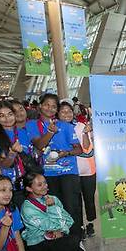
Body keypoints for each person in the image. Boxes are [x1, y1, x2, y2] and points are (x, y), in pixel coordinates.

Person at [26, 94, 83, 239]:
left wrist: (66, 153)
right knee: (54, 207)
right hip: (47, 174)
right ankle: (61, 236)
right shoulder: (32, 125)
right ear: (40, 106)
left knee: (72, 206)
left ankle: (76, 237)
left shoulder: (65, 125)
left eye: (53, 106)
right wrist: (50, 132)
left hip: (68, 171)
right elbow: (39, 145)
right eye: (47, 105)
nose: (50, 108)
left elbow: (79, 149)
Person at [21, 172, 89, 251]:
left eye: (45, 182)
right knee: (73, 240)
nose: (45, 186)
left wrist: (61, 231)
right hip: (39, 242)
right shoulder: (27, 208)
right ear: (29, 189)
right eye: (40, 185)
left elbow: (68, 220)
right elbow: (51, 226)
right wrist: (52, 208)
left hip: (57, 237)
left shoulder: (52, 198)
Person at [58, 100, 96, 238]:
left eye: (69, 111)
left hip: (87, 169)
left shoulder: (80, 126)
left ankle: (90, 223)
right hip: (69, 172)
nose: (66, 114)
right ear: (58, 113)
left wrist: (85, 133)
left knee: (89, 199)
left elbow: (87, 148)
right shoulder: (55, 129)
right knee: (75, 202)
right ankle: (79, 226)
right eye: (63, 111)